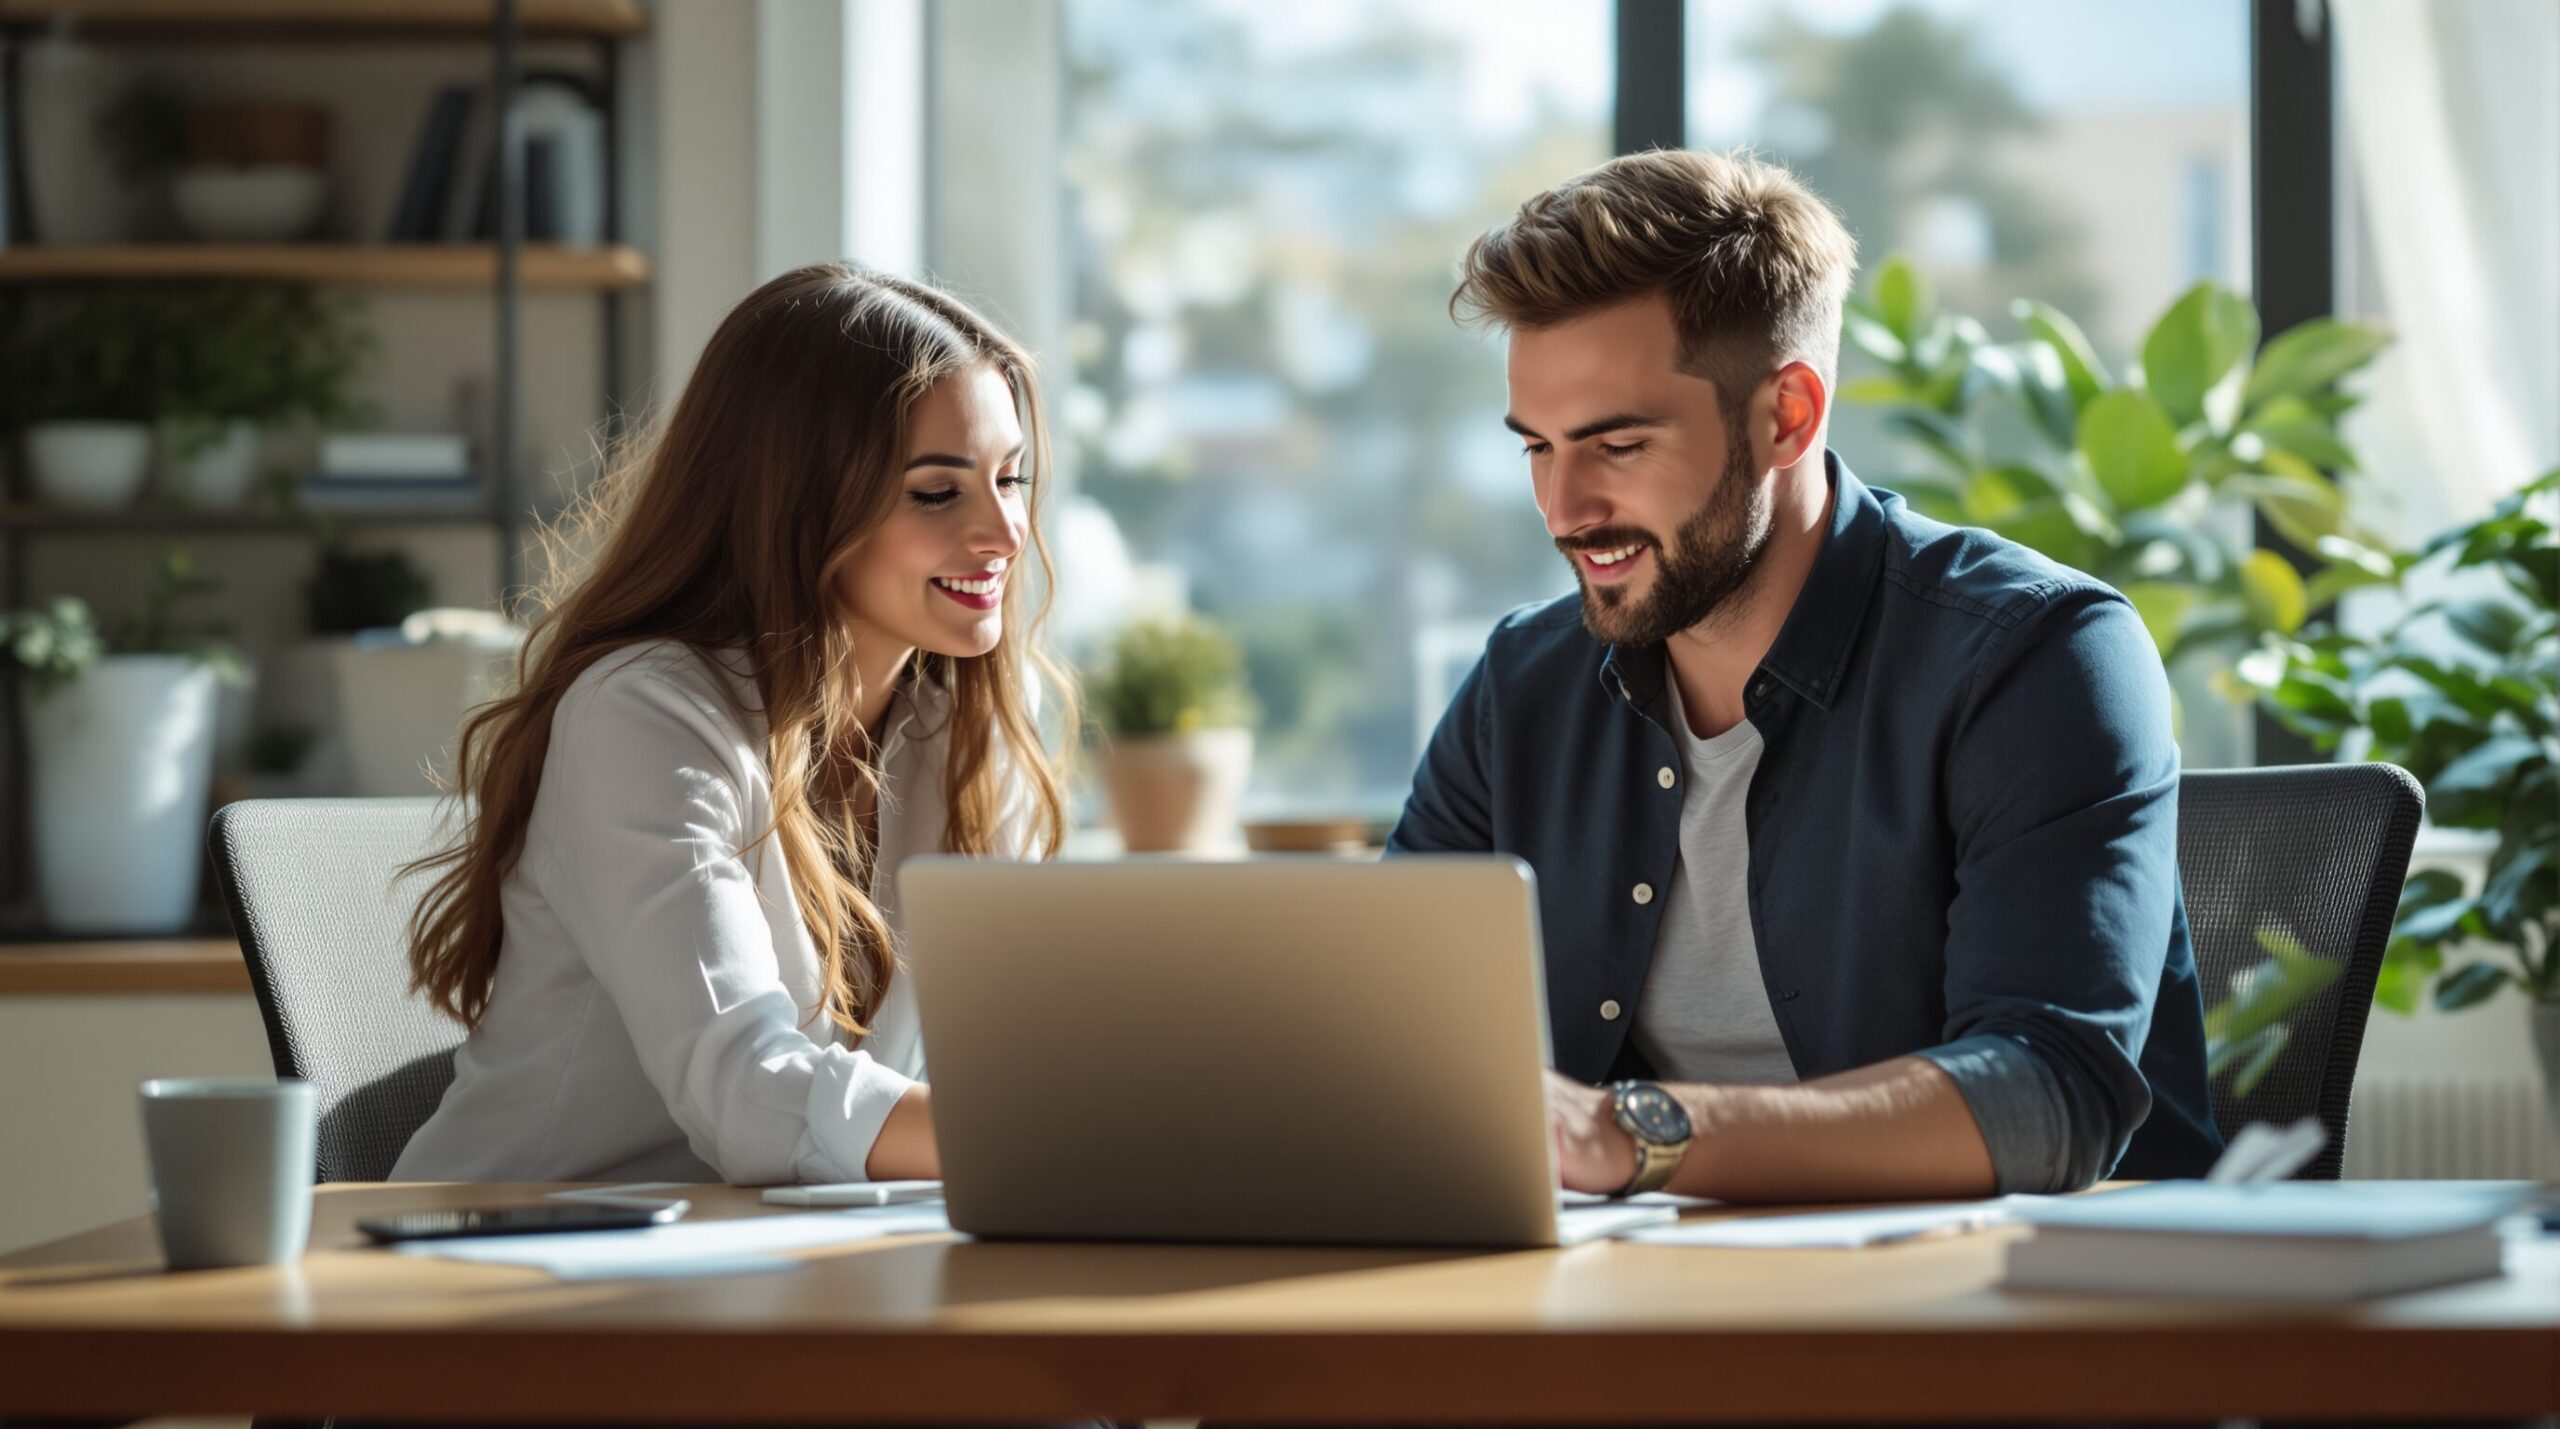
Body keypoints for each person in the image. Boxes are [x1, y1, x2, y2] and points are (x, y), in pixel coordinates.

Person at [1393, 150, 2223, 1202]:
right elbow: (1399, 1049)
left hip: (2021, 1320)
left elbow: (2046, 1095)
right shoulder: (1523, 686)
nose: (1564, 508)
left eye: (1617, 443)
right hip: (1632, 1312)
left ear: (1785, 414)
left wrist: (1635, 1134)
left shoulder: (2035, 654)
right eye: (1538, 449)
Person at [393, 263, 1074, 1187]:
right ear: (802, 499)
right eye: (936, 492)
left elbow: (1005, 1059)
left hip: (778, 1258)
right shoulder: (641, 714)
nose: (1004, 532)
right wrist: (1075, 1134)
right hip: (504, 1267)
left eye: (1010, 478)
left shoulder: (970, 727)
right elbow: (753, 1095)